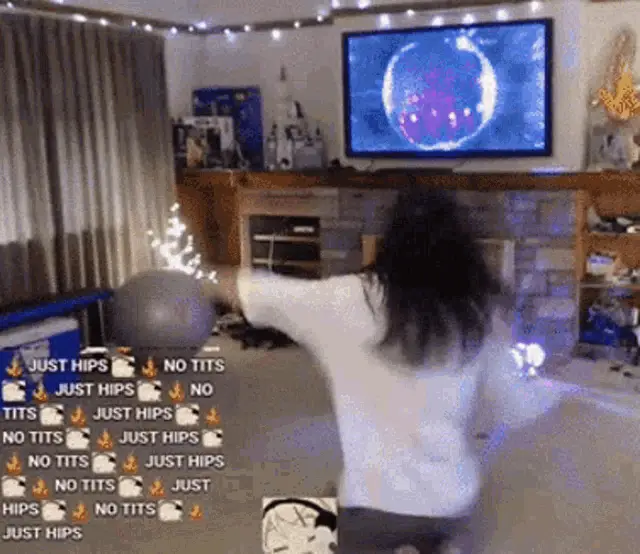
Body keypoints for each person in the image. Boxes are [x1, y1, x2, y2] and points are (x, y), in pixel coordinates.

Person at [210, 185, 566, 553]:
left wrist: (198, 274)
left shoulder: (343, 299)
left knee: (289, 529)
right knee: (347, 500)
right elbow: (517, 406)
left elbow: (253, 289)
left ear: (390, 243)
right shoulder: (476, 314)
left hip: (370, 507)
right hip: (450, 504)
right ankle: (441, 545)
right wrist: (552, 388)